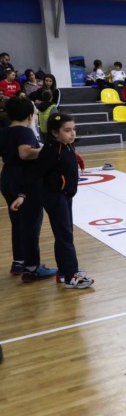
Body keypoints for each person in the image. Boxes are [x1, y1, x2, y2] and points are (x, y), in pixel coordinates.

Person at [11, 111, 93, 289]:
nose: (72, 134)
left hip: (65, 195)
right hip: (54, 197)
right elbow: (35, 173)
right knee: (64, 235)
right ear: (55, 132)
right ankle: (71, 276)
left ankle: (64, 271)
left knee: (65, 233)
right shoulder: (51, 150)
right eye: (67, 130)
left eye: (74, 129)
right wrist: (22, 195)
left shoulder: (67, 145)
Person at [0, 96, 49, 281]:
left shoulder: (3, 131)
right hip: (25, 181)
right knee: (31, 224)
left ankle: (19, 261)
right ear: (30, 116)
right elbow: (25, 153)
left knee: (18, 223)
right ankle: (32, 267)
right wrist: (48, 150)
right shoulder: (25, 131)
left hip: (7, 177)